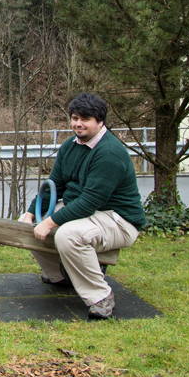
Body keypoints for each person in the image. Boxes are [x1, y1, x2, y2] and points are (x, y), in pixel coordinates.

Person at [19, 92, 146, 320]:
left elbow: (89, 202)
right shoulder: (70, 145)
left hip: (118, 219)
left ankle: (100, 297)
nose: (79, 123)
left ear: (100, 121)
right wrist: (31, 212)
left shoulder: (109, 153)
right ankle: (60, 276)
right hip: (87, 211)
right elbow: (54, 184)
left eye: (86, 119)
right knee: (26, 224)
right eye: (75, 117)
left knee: (67, 234)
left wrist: (49, 222)